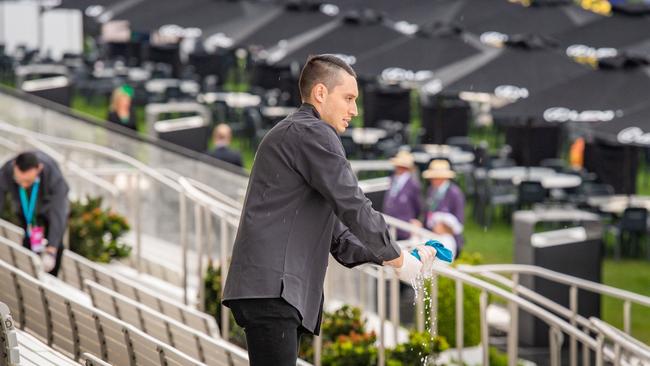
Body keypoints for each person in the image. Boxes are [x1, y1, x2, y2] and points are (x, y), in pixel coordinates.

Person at [222, 54, 436, 366]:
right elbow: (352, 203)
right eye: (348, 98)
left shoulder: (300, 136)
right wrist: (400, 261)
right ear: (321, 93)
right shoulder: (313, 132)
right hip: (274, 290)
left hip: (271, 291)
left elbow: (342, 241)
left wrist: (397, 255)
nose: (355, 110)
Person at [0, 151, 69, 276]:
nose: (23, 185)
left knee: (53, 254)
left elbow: (59, 212)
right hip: (27, 217)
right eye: (19, 180)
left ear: (39, 169)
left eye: (27, 181)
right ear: (15, 165)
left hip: (48, 214)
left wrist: (51, 249)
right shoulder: (8, 169)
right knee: (27, 255)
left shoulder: (53, 176)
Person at [422, 159, 465, 255]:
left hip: (448, 240)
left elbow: (459, 222)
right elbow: (427, 213)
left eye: (435, 177)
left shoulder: (455, 193)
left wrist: (445, 228)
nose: (432, 180)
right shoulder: (431, 190)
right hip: (431, 236)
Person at [382, 150, 422, 240]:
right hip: (388, 226)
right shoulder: (391, 179)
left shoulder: (413, 185)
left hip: (404, 227)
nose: (399, 168)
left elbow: (418, 207)